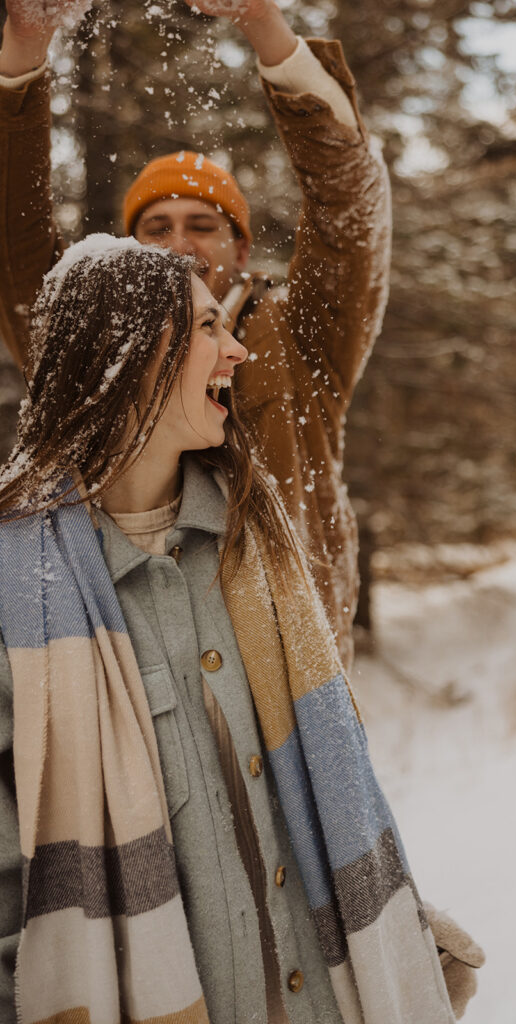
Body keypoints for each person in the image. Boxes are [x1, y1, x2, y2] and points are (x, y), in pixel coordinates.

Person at [0, 238, 482, 1023]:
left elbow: (324, 802)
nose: (237, 348)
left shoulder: (257, 547)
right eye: (203, 329)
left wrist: (396, 949)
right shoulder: (18, 596)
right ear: (127, 353)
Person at [0, 0, 392, 669]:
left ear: (241, 248)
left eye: (202, 225)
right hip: (137, 678)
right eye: (156, 228)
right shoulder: (94, 345)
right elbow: (15, 234)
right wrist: (25, 51)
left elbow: (347, 204)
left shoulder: (302, 334)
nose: (178, 245)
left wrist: (263, 25)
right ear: (129, 251)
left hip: (289, 674)